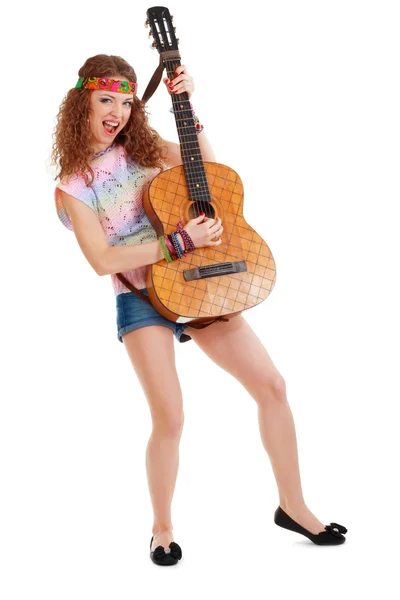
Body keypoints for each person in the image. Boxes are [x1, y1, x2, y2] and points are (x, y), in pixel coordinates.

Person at [51, 54, 348, 566]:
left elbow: (208, 174)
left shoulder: (143, 150)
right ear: (82, 103)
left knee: (272, 386)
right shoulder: (74, 186)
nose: (117, 111)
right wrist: (176, 242)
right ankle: (162, 528)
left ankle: (293, 506)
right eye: (106, 100)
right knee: (170, 418)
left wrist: (187, 111)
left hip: (197, 287)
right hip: (142, 298)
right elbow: (102, 260)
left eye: (126, 101)